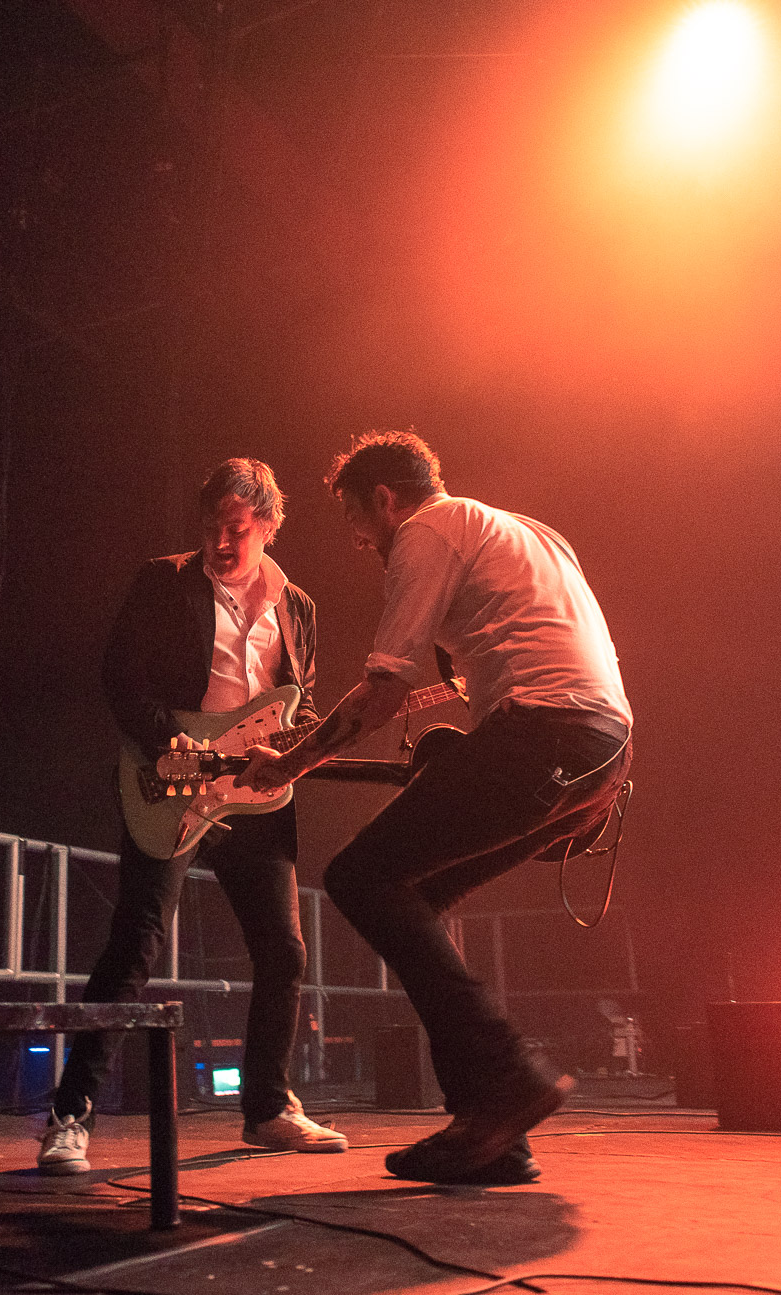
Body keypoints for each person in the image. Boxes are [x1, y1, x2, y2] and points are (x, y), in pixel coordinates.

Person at [238, 431, 631, 1185]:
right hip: (602, 753)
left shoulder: (427, 531)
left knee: (359, 877)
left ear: (385, 499)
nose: (362, 543)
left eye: (359, 521)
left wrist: (289, 762)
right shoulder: (528, 533)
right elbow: (508, 653)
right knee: (413, 893)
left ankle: (508, 1077)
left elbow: (385, 689)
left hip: (543, 731)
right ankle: (492, 1131)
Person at [38, 458, 347, 1173]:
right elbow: (120, 671)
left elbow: (298, 702)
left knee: (284, 950)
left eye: (236, 528)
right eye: (210, 526)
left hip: (257, 793)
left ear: (268, 525)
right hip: (169, 777)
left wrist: (304, 747)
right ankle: (69, 1114)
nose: (220, 541)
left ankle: (268, 1107)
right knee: (135, 944)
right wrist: (163, 740)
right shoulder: (164, 581)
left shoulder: (297, 606)